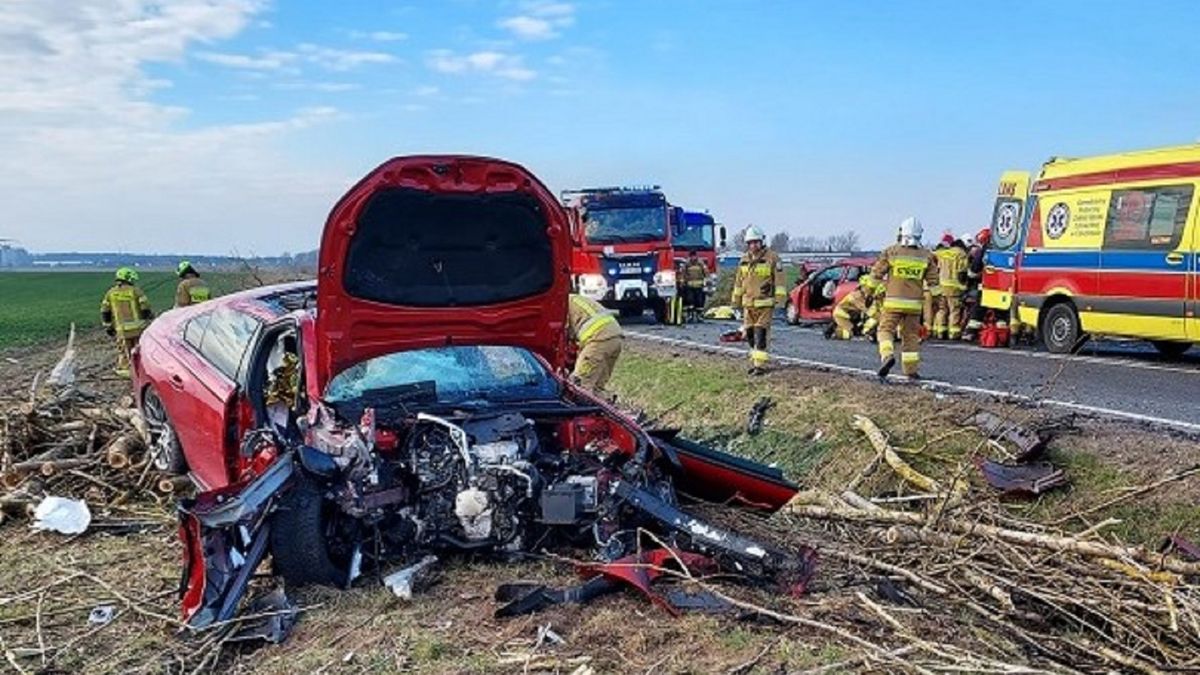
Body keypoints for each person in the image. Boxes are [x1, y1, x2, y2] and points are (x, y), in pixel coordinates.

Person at [868, 217, 940, 379]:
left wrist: (868, 292)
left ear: (902, 232)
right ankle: (911, 371)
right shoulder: (926, 256)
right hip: (914, 306)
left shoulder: (891, 252)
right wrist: (937, 302)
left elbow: (876, 275)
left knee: (885, 331)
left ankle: (887, 356)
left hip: (892, 303)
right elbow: (934, 284)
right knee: (910, 337)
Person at [731, 226, 786, 375]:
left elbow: (780, 282)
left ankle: (759, 366)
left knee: (761, 333)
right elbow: (739, 283)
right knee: (749, 334)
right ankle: (755, 360)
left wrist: (780, 302)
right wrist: (735, 302)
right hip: (748, 305)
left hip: (765, 304)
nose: (753, 245)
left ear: (762, 241)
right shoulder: (743, 260)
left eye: (756, 242)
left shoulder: (772, 258)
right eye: (750, 243)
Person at [100, 267, 154, 377]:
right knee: (139, 351)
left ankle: (127, 371)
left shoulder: (111, 293)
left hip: (121, 330)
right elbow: (145, 309)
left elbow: (105, 311)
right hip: (138, 329)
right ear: (128, 278)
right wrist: (149, 319)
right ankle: (142, 370)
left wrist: (108, 326)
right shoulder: (136, 291)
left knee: (124, 352)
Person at [567, 293, 623, 392]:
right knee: (597, 388)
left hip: (598, 339)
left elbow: (563, 333)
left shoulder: (562, 304)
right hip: (616, 337)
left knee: (579, 386)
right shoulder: (576, 299)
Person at [932, 237, 969, 340]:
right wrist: (964, 285)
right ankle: (953, 333)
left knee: (942, 309)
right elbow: (963, 272)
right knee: (954, 310)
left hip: (941, 285)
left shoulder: (943, 253)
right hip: (954, 287)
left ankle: (940, 331)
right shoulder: (962, 254)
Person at [962, 228, 990, 341]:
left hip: (986, 285)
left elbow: (974, 270)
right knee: (1001, 315)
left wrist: (972, 275)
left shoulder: (984, 250)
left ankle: (970, 333)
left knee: (978, 308)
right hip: (1005, 286)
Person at [682, 251, 708, 321]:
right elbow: (683, 274)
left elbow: (706, 273)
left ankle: (699, 315)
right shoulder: (687, 264)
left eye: (694, 256)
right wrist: (683, 282)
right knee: (690, 300)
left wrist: (706, 282)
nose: (693, 258)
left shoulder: (701, 264)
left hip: (699, 286)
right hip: (689, 286)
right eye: (692, 256)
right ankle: (690, 315)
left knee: (699, 301)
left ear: (696, 256)